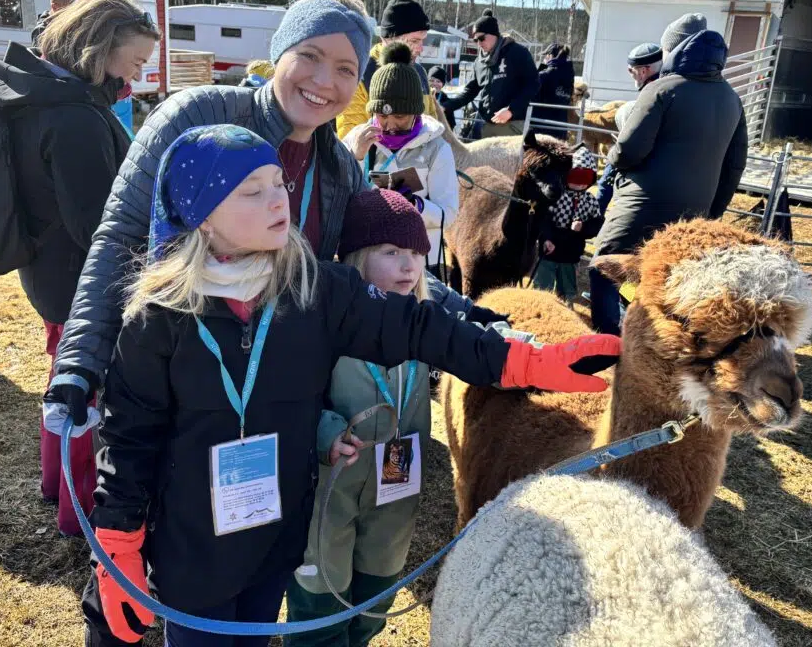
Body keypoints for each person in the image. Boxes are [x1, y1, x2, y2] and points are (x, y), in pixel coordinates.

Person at [82, 125, 621, 646]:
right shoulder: (159, 318)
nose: (278, 202)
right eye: (252, 191)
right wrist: (118, 541)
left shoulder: (314, 289)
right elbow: (129, 437)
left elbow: (419, 327)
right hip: (194, 546)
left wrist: (523, 362)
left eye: (278, 185)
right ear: (201, 215)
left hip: (276, 536)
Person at [42, 0, 506, 522]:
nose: (322, 81)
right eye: (309, 56)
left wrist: (468, 314)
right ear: (279, 52)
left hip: (273, 389)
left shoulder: (337, 168)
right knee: (168, 544)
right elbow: (120, 235)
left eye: (343, 68)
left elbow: (381, 258)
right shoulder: (199, 116)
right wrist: (79, 363)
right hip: (180, 377)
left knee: (253, 549)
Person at [285, 188, 582, 647]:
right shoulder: (324, 316)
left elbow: (480, 336)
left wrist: (537, 354)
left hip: (395, 488)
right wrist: (324, 431)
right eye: (391, 252)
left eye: (417, 251)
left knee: (376, 589)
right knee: (321, 600)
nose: (408, 266)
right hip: (329, 490)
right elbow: (287, 396)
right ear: (357, 256)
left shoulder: (425, 314)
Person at [0, 0, 160, 536]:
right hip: (77, 280)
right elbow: (98, 226)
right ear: (99, 47)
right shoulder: (76, 120)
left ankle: (55, 480)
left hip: (49, 270)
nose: (134, 77)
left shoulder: (43, 94)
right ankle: (78, 503)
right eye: (133, 61)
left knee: (64, 380)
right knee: (82, 389)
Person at [588, 13, 749, 335]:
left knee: (606, 265)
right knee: (672, 277)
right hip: (695, 212)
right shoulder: (732, 98)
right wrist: (711, 212)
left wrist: (616, 160)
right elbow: (734, 165)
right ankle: (661, 339)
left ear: (673, 50)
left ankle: (612, 342)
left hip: (644, 202)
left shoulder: (662, 89)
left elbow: (629, 150)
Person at [342, 42, 458, 279]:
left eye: (400, 116)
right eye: (382, 115)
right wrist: (355, 158)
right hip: (367, 259)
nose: (390, 125)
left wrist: (415, 205)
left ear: (415, 112)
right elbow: (335, 199)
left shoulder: (436, 147)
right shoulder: (357, 139)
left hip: (418, 265)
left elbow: (449, 214)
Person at [336, 0, 443, 137]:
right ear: (387, 39)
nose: (420, 49)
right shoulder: (360, 72)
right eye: (414, 41)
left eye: (422, 40)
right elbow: (350, 137)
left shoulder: (419, 72)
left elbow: (431, 124)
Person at [441, 9, 540, 138]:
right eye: (475, 40)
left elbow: (533, 84)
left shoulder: (517, 53)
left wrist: (511, 110)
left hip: (512, 124)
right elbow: (470, 91)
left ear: (494, 34)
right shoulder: (479, 62)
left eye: (481, 38)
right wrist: (445, 107)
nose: (479, 43)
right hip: (486, 125)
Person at [597, 42, 663, 215]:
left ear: (643, 71)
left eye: (631, 70)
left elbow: (628, 147)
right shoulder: (673, 88)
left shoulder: (652, 96)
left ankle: (595, 215)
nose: (630, 74)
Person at [533, 148, 604, 304]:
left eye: (584, 179)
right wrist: (546, 238)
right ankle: (538, 306)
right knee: (542, 287)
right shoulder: (556, 195)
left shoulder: (591, 201)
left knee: (567, 290)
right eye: (574, 178)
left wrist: (583, 228)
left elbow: (597, 223)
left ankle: (566, 307)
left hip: (571, 254)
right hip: (549, 250)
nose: (578, 184)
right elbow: (545, 219)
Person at [532, 43, 575, 127]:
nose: (545, 58)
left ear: (550, 55)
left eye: (546, 55)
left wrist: (544, 66)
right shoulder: (570, 75)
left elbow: (532, 90)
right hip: (561, 127)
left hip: (541, 127)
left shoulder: (545, 74)